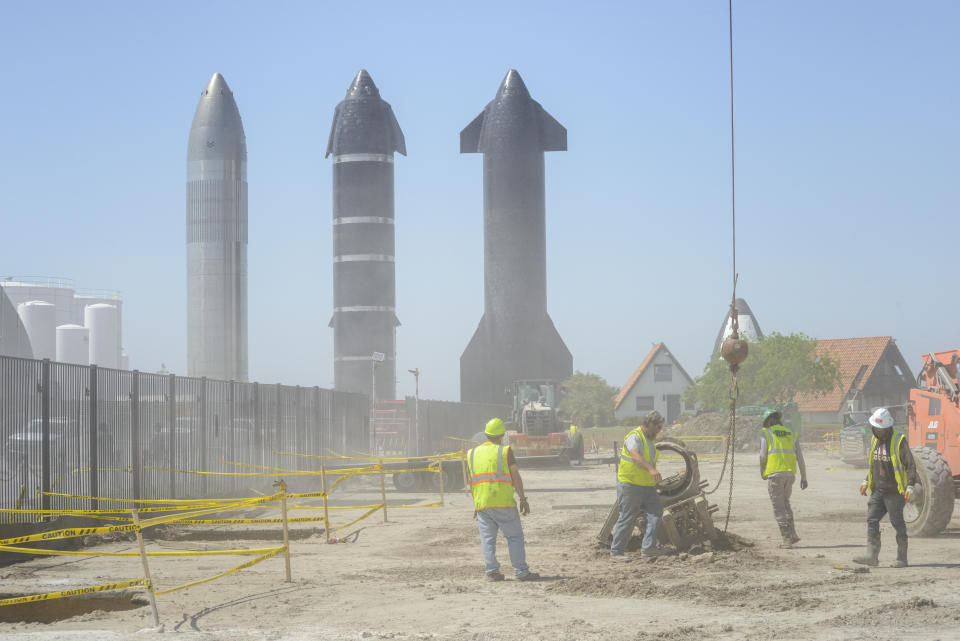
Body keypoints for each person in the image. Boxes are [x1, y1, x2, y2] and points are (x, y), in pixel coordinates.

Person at [466, 418, 540, 582]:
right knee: (514, 537)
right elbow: (515, 476)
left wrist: (476, 504)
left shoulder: (472, 454)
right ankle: (521, 571)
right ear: (501, 435)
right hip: (503, 503)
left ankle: (492, 572)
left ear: (486, 434)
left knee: (487, 540)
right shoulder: (505, 451)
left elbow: (472, 482)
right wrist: (522, 498)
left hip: (483, 504)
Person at [853, 407, 917, 568]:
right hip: (878, 491)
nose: (877, 432)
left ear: (888, 428)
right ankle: (872, 556)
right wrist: (866, 480)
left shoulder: (898, 440)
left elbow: (910, 465)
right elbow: (875, 465)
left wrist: (910, 485)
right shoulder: (875, 441)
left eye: (880, 429)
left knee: (897, 523)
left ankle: (902, 559)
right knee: (872, 519)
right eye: (875, 428)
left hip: (894, 492)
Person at [610, 410, 670, 561]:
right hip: (631, 485)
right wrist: (651, 470)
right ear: (649, 424)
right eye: (658, 427)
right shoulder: (635, 437)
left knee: (656, 513)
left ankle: (648, 548)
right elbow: (635, 456)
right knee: (627, 517)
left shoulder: (649, 440)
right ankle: (616, 552)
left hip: (647, 486)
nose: (659, 431)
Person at [760, 410, 808, 548]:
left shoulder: (767, 432)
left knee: (778, 506)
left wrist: (762, 472)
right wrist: (804, 478)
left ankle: (786, 539)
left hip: (775, 475)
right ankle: (793, 534)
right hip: (789, 475)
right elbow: (800, 457)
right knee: (786, 503)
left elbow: (763, 456)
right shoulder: (790, 433)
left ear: (767, 422)